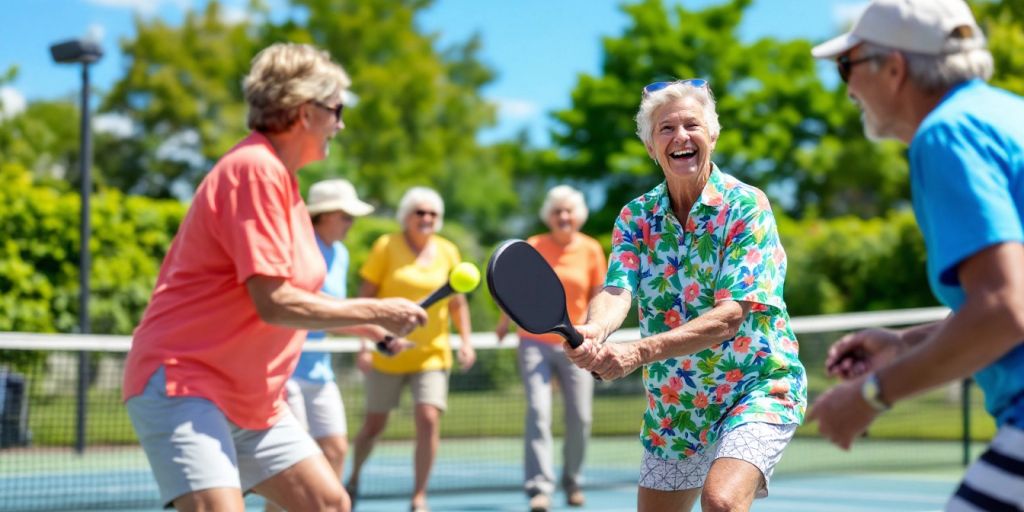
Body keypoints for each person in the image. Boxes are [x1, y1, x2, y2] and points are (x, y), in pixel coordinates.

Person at [122, 43, 427, 512]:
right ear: (306, 112)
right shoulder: (255, 170)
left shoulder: (283, 183)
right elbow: (274, 301)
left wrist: (367, 326)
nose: (341, 124)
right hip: (187, 381)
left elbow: (295, 299)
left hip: (250, 395)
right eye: (336, 110)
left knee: (329, 503)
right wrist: (376, 308)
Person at [806, 0, 1024, 509]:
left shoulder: (946, 134)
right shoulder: (1007, 114)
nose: (848, 88)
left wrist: (871, 395)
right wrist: (906, 344)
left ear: (895, 69)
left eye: (847, 67)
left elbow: (1004, 309)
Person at [563, 79, 806, 512]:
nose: (680, 137)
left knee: (722, 502)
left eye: (691, 125)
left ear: (712, 134)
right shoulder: (635, 216)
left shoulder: (746, 206)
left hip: (756, 386)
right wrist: (595, 328)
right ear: (650, 148)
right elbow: (618, 288)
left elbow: (729, 317)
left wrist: (637, 351)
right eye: (665, 129)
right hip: (675, 405)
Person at [345, 186, 476, 512]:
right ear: (406, 216)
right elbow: (366, 298)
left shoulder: (448, 251)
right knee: (373, 426)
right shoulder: (385, 246)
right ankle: (354, 477)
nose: (426, 218)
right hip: (388, 353)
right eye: (420, 212)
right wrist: (365, 343)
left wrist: (467, 341)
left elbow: (458, 303)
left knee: (428, 417)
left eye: (432, 213)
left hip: (432, 353)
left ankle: (419, 495)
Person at [264, 178, 383, 512]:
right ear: (325, 215)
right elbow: (304, 306)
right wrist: (375, 323)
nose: (352, 223)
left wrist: (370, 333)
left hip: (320, 369)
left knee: (336, 449)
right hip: (285, 370)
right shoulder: (297, 247)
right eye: (346, 216)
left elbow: (335, 311)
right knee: (294, 463)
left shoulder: (341, 253)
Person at [494, 185, 607, 512]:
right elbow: (514, 288)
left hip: (577, 344)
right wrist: (503, 324)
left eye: (568, 211)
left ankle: (573, 481)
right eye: (557, 211)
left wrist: (596, 334)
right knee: (539, 413)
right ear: (549, 215)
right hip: (534, 343)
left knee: (580, 417)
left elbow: (600, 295)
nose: (563, 216)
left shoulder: (590, 250)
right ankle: (539, 489)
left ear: (578, 216)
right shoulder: (534, 246)